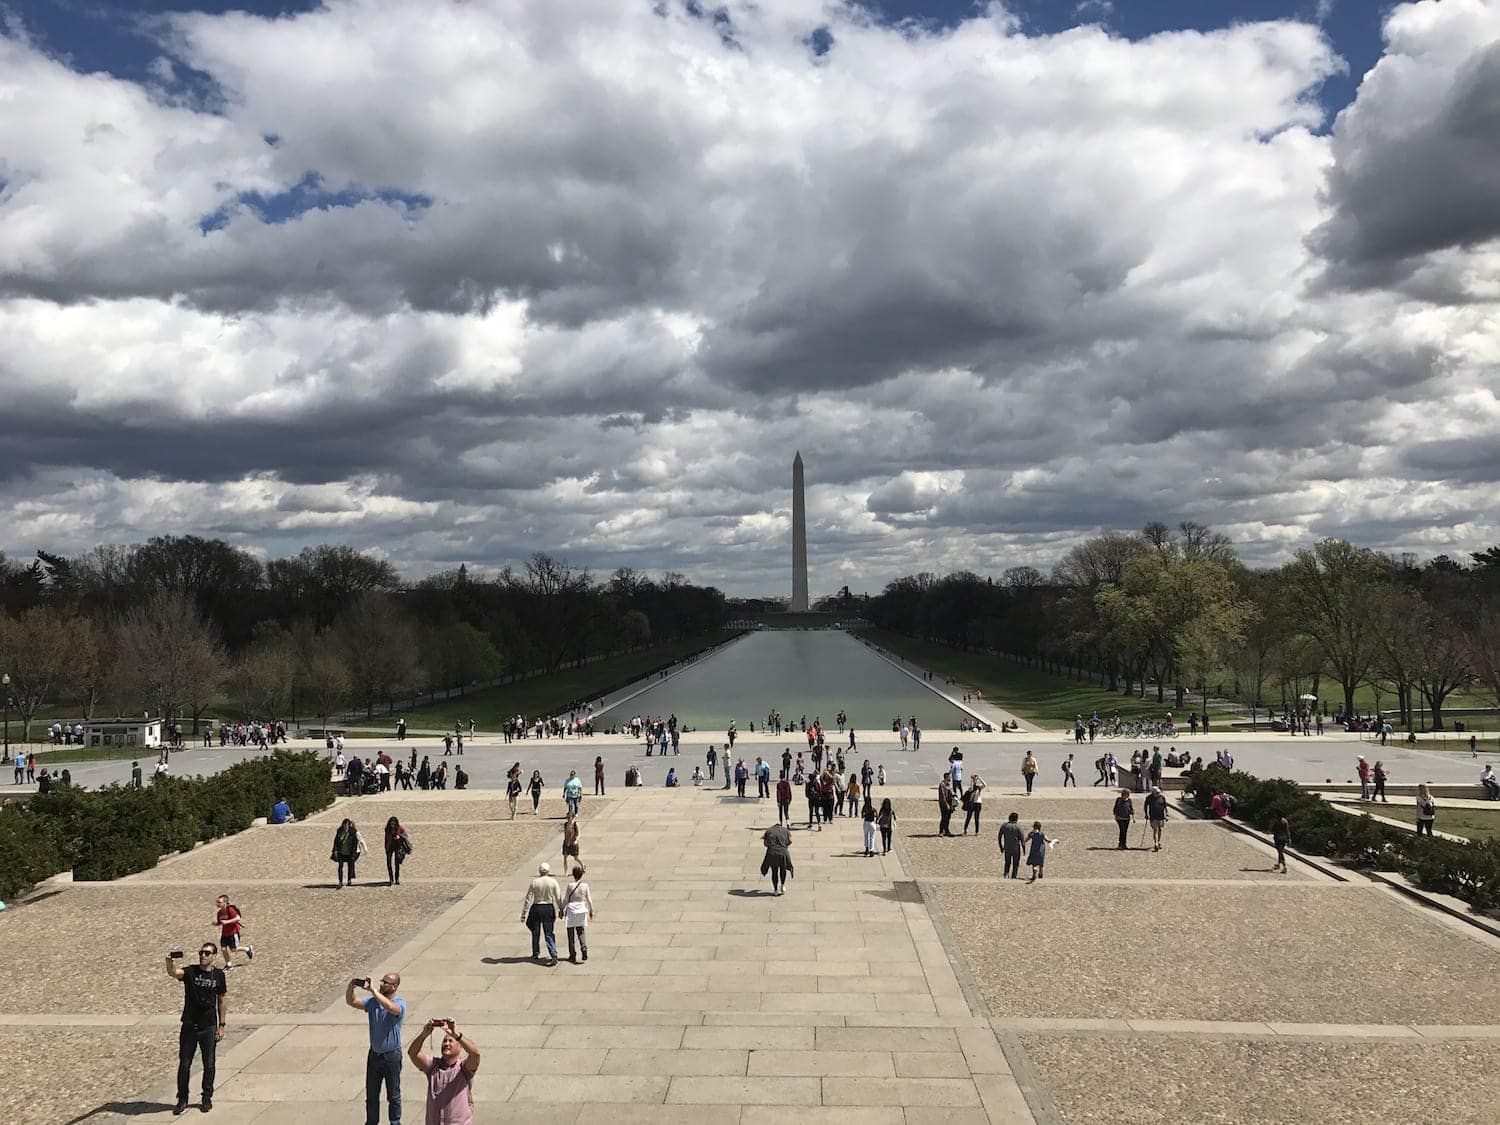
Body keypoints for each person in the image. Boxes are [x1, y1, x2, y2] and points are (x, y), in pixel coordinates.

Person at [166, 943, 227, 1115]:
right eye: (201, 952)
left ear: (214, 956)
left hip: (209, 1026)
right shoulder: (191, 972)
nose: (203, 956)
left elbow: (222, 1000)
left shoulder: (219, 975)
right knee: (185, 1064)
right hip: (190, 1025)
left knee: (209, 1064)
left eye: (207, 953)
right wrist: (169, 962)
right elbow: (174, 973)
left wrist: (222, 1025)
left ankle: (206, 1098)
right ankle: (182, 1099)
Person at [347, 971, 406, 1125]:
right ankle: (371, 1122)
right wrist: (351, 986)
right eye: (382, 981)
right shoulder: (373, 1002)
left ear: (394, 986)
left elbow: (392, 1008)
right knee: (372, 1095)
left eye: (386, 983)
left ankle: (395, 1122)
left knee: (393, 1095)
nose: (382, 984)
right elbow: (352, 1001)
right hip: (374, 1055)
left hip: (391, 1056)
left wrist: (373, 991)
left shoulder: (400, 1003)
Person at [521, 862, 563, 965]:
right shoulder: (553, 881)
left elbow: (528, 898)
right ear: (548, 871)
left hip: (537, 907)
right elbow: (558, 897)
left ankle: (535, 952)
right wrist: (561, 909)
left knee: (535, 932)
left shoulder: (535, 882)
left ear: (539, 871)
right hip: (548, 907)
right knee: (549, 932)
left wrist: (524, 913)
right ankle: (553, 953)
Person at [563, 864, 595, 963]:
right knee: (580, 930)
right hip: (581, 908)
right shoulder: (585, 885)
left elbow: (566, 899)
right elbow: (589, 899)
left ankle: (572, 954)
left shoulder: (570, 885)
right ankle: (583, 947)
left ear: (573, 875)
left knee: (570, 933)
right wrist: (591, 910)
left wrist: (561, 909)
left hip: (571, 909)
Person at [214, 894, 254, 970]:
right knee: (223, 949)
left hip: (233, 933)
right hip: (224, 933)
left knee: (233, 949)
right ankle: (228, 965)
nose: (217, 904)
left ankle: (247, 949)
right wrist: (216, 924)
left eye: (219, 902)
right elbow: (221, 922)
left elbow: (237, 918)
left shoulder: (230, 909)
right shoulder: (219, 913)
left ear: (225, 903)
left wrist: (227, 922)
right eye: (217, 902)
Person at [761, 819, 794, 895]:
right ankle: (782, 885)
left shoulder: (768, 831)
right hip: (783, 852)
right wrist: (785, 846)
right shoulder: (785, 830)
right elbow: (790, 841)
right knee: (783, 869)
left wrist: (770, 845)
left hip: (772, 853)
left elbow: (765, 844)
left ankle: (775, 890)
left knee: (774, 871)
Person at [331, 818, 364, 888]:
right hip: (341, 852)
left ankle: (349, 880)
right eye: (344, 824)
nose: (345, 826)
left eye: (346, 824)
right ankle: (340, 881)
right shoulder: (340, 832)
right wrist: (334, 850)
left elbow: (355, 843)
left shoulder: (352, 832)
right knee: (340, 867)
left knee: (350, 867)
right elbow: (336, 841)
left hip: (349, 852)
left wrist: (354, 852)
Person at [385, 817, 412, 886]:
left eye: (394, 823)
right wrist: (386, 847)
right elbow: (386, 838)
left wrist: (399, 836)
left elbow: (406, 836)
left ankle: (397, 879)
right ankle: (391, 879)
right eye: (391, 823)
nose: (392, 824)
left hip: (397, 847)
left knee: (396, 863)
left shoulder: (400, 828)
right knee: (389, 863)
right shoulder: (387, 829)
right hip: (389, 847)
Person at [998, 812, 1025, 879]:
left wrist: (1001, 846)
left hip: (1007, 847)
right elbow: (1022, 839)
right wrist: (1024, 849)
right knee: (1015, 863)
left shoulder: (1004, 826)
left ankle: (1006, 874)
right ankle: (1014, 876)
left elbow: (999, 836)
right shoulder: (1018, 827)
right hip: (1016, 848)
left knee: (1007, 862)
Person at [1144, 786, 1168, 851]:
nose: (1158, 793)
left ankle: (1158, 841)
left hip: (1161, 816)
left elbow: (1165, 806)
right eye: (1157, 793)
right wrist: (1146, 814)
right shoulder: (1149, 798)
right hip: (1153, 816)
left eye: (1159, 792)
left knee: (1160, 829)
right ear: (1153, 792)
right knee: (1155, 830)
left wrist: (1167, 814)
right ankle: (1156, 843)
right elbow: (1145, 806)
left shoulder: (1162, 797)